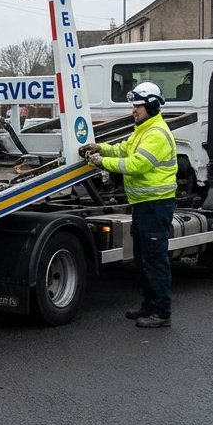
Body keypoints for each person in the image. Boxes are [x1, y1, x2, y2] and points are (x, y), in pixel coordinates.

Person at [79, 82, 178, 328]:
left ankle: (162, 313)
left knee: (155, 260)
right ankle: (149, 305)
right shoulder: (143, 129)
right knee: (144, 258)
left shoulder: (156, 133)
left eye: (139, 106)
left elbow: (135, 165)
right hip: (144, 205)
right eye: (134, 106)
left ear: (152, 107)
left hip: (155, 206)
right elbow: (124, 149)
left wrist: (100, 162)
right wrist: (100, 147)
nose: (134, 110)